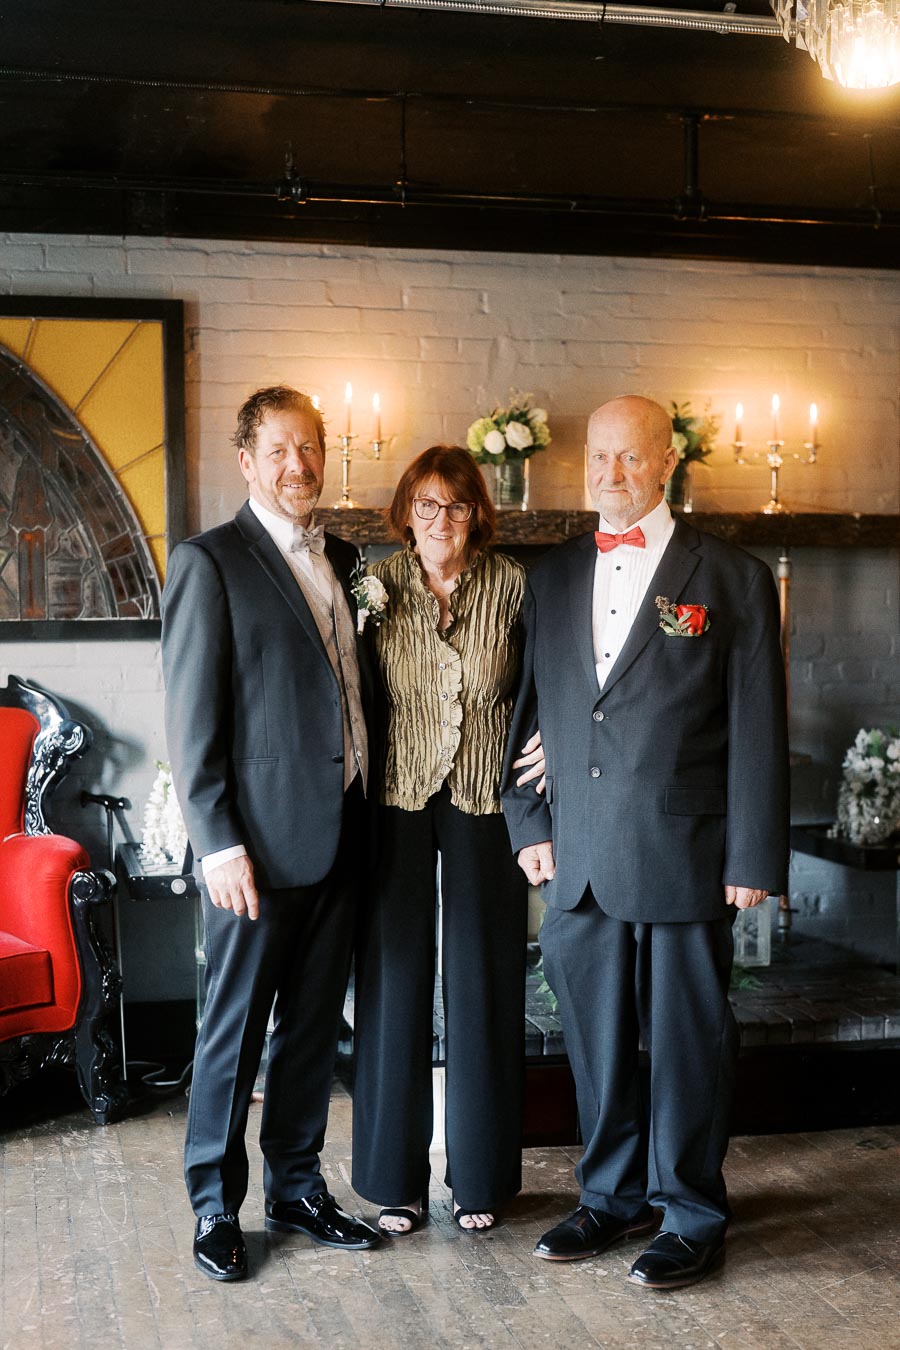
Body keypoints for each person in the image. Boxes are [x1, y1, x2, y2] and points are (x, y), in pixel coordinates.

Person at [501, 395, 789, 1290]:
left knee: (690, 1040)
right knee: (592, 1041)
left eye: (630, 459)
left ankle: (693, 1209)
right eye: (598, 458)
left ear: (667, 462)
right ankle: (611, 1197)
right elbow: (527, 715)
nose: (610, 476)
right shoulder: (546, 579)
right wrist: (529, 825)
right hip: (577, 857)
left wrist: (752, 857)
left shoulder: (730, 577)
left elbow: (758, 723)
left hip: (684, 852)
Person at [162, 385, 381, 1282]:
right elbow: (192, 714)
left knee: (310, 1033)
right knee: (235, 1030)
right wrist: (217, 840)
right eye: (280, 450)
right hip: (253, 848)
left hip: (345, 831)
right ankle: (216, 1203)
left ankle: (297, 1186)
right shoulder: (209, 562)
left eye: (311, 449)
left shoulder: (347, 557)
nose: (300, 466)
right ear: (247, 460)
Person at [351, 445, 543, 1236]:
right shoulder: (375, 587)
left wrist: (552, 750)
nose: (441, 522)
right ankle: (392, 1179)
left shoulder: (517, 586)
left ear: (478, 515)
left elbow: (548, 681)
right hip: (397, 796)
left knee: (484, 979)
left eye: (457, 506)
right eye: (426, 506)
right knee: (394, 978)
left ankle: (482, 1180)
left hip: (485, 799)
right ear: (406, 513)